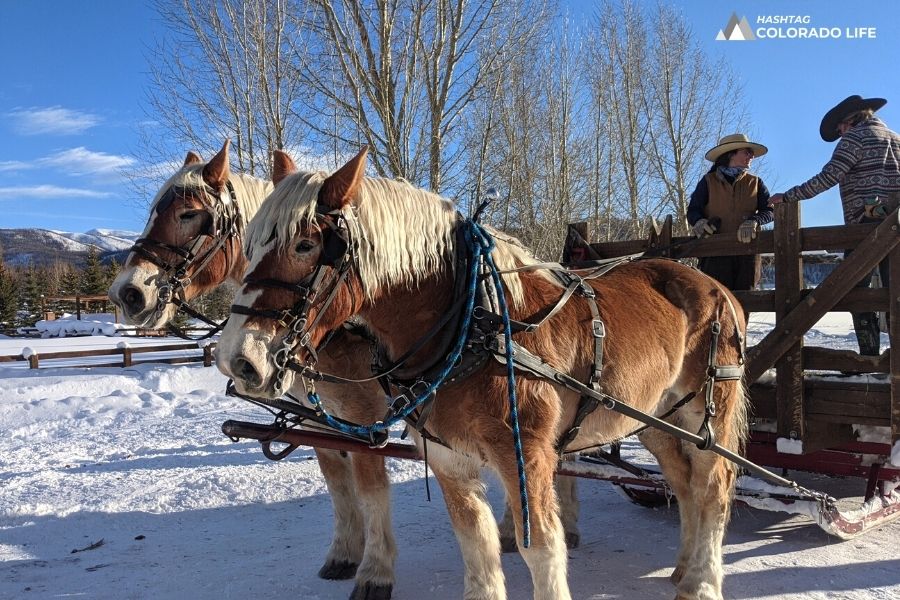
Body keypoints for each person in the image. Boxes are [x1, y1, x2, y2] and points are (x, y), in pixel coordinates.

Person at [770, 95, 900, 356]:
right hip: (895, 226)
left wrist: (788, 197)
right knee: (894, 291)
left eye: (839, 128)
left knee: (853, 289)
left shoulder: (854, 138)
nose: (839, 133)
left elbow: (828, 177)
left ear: (850, 121)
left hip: (864, 228)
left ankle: (869, 356)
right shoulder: (896, 139)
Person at [687, 133, 774, 291]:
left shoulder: (756, 182)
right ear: (731, 154)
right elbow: (693, 210)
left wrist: (754, 221)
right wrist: (699, 222)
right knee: (716, 303)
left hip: (747, 253)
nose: (751, 156)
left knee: (745, 304)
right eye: (747, 152)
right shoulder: (708, 181)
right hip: (715, 252)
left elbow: (769, 210)